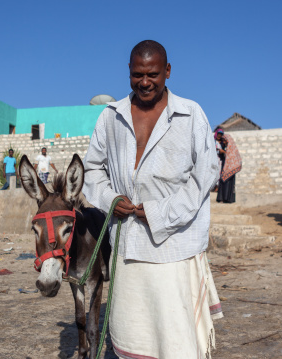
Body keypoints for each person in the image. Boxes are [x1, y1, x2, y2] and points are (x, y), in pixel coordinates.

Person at [82, 40, 223, 359]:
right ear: (129, 73)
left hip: (174, 243)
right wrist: (109, 198)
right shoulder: (110, 116)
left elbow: (206, 173)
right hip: (128, 243)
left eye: (153, 74)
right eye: (137, 74)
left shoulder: (190, 114)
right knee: (134, 335)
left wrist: (162, 212)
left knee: (174, 338)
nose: (145, 82)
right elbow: (92, 168)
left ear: (168, 71)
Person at [215, 129, 241, 203]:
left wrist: (224, 152)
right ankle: (222, 198)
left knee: (228, 184)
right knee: (223, 183)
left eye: (225, 140)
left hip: (230, 169)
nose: (224, 142)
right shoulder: (225, 147)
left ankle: (227, 199)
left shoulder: (231, 148)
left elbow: (231, 157)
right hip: (225, 167)